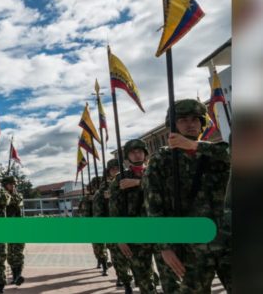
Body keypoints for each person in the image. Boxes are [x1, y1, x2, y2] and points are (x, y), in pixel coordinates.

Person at [143, 99, 231, 293]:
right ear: (173, 125)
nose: (190, 124)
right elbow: (154, 208)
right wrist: (164, 247)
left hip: (227, 240)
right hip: (190, 247)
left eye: (195, 119)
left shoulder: (215, 152)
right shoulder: (161, 161)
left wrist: (195, 146)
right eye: (182, 120)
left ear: (202, 123)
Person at [110, 139, 165, 293]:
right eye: (133, 152)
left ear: (145, 154)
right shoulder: (119, 180)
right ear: (127, 157)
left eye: (140, 151)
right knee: (144, 279)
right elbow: (115, 211)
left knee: (170, 277)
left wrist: (137, 182)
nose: (137, 154)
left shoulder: (157, 172)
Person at [94, 159, 132, 293]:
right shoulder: (103, 189)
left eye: (118, 168)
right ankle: (125, 280)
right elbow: (99, 211)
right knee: (118, 256)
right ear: (108, 172)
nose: (116, 171)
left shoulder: (131, 179)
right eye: (113, 169)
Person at [2, 175, 25, 286]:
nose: (12, 186)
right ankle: (15, 276)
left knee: (18, 252)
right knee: (10, 254)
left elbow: (15, 201)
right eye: (10, 184)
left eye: (13, 184)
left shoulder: (18, 195)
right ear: (5, 185)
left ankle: (18, 276)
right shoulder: (1, 195)